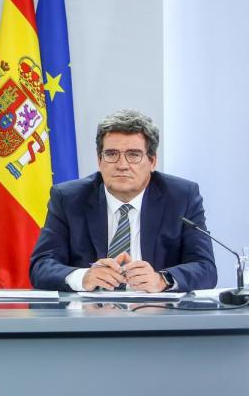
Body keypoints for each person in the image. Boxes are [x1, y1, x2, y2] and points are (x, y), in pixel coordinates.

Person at [30, 109, 216, 292]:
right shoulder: (69, 198)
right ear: (99, 160)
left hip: (160, 316)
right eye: (111, 154)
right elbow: (41, 266)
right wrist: (83, 276)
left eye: (133, 155)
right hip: (89, 317)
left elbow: (205, 267)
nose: (122, 165)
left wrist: (162, 279)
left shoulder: (181, 197)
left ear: (152, 161)